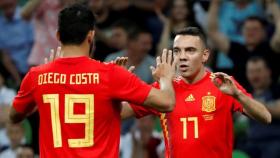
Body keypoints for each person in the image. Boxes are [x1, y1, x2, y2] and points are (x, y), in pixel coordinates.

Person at [9, 4, 177, 158]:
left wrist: (40, 95)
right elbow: (167, 102)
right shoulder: (111, 74)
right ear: (91, 36)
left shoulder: (37, 76)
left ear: (58, 35)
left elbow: (14, 116)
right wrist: (166, 77)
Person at [120, 27, 271, 158]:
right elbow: (120, 113)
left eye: (190, 50)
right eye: (177, 51)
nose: (183, 56)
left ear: (205, 55)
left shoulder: (221, 83)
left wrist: (238, 94)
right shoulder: (164, 88)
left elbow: (265, 117)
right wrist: (118, 87)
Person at [244, 56, 280, 158]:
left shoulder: (276, 90)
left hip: (274, 141)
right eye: (251, 72)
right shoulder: (246, 93)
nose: (255, 76)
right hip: (251, 143)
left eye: (258, 71)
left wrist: (248, 102)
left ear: (268, 72)